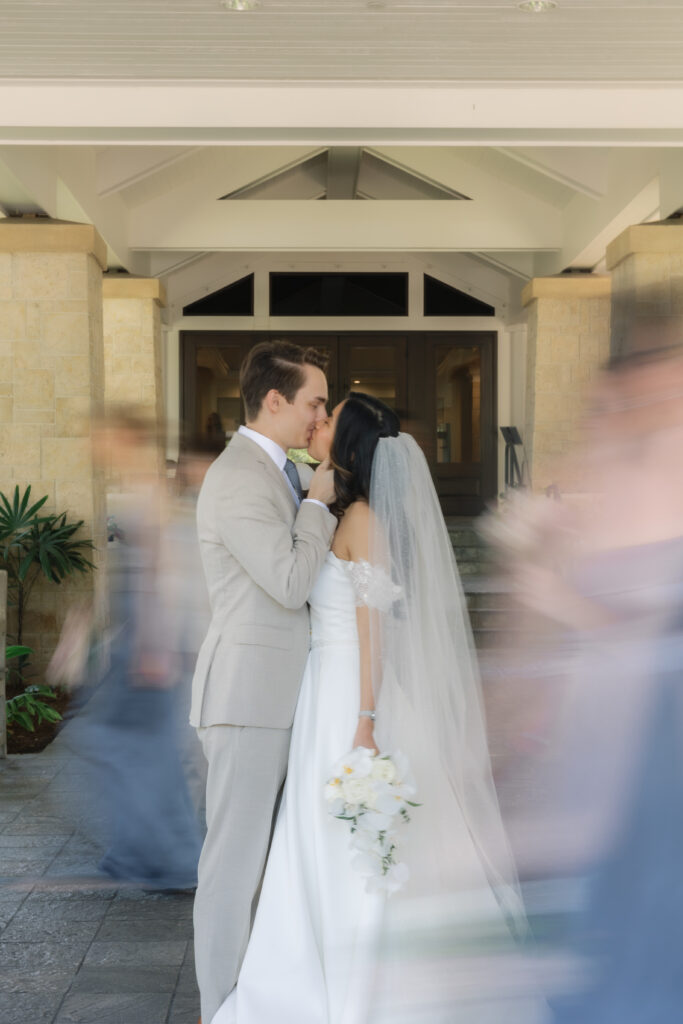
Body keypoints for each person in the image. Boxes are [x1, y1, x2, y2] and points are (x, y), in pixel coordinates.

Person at [212, 393, 534, 1024]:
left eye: (328, 419)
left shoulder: (361, 519)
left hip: (349, 699)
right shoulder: (339, 506)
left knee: (347, 833)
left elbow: (373, 633)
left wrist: (366, 721)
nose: (317, 423)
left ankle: (362, 983)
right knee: (316, 832)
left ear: (351, 439)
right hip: (324, 691)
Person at [192, 341, 337, 1024]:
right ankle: (217, 1007)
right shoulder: (238, 477)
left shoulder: (274, 469)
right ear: (273, 401)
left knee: (266, 864)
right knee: (233, 867)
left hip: (282, 692)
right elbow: (285, 582)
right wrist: (316, 504)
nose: (320, 416)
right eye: (313, 402)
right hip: (249, 696)